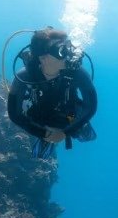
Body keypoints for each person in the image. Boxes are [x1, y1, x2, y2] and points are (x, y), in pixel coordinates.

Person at [6, 28, 98, 158]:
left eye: (67, 47)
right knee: (40, 155)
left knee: (88, 136)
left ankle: (74, 127)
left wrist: (65, 133)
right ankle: (47, 137)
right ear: (43, 58)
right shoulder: (25, 76)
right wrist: (44, 133)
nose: (68, 55)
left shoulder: (78, 73)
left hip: (70, 112)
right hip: (41, 115)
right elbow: (14, 114)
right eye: (61, 50)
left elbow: (91, 107)